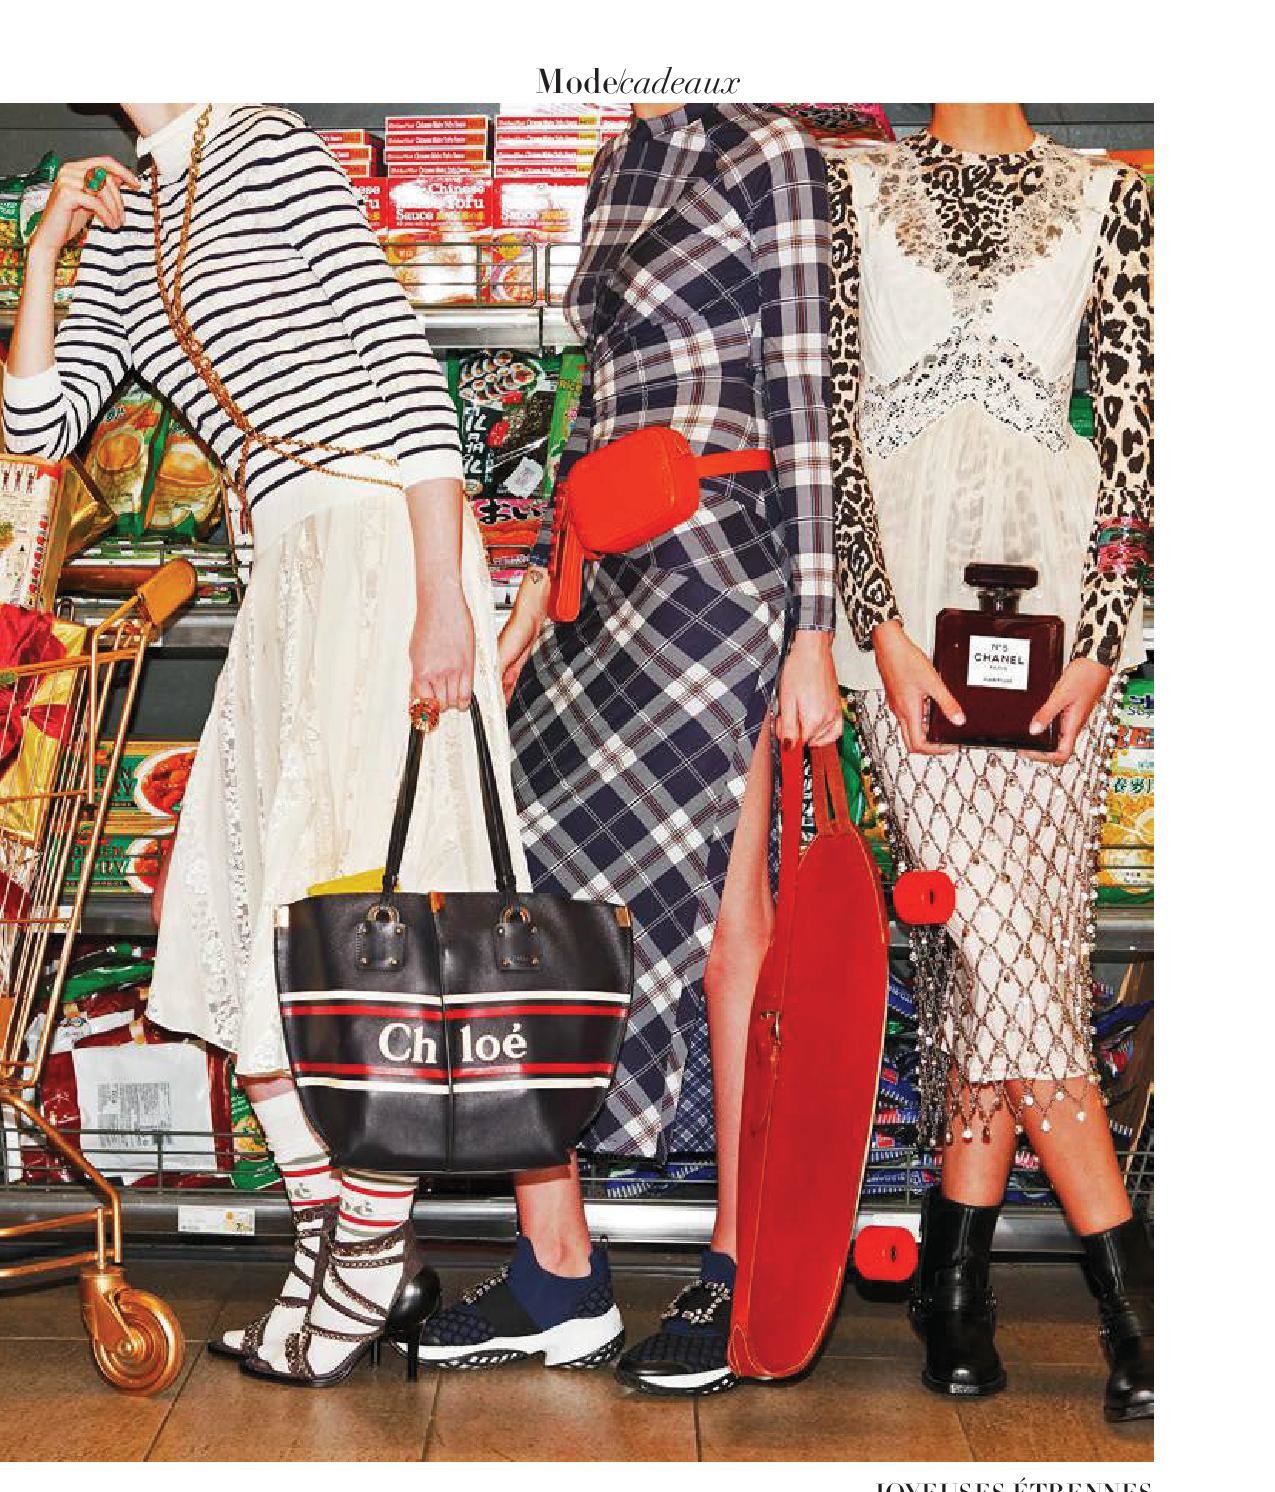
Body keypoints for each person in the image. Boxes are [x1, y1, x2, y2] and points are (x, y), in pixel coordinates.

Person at [2, 102, 528, 1387]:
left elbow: (406, 374)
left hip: (377, 543)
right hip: (283, 572)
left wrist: (443, 601)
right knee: (243, 925)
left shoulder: (268, 139)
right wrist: (47, 252)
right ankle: (338, 1244)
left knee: (364, 921)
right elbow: (36, 433)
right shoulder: (130, 217)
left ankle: (363, 1259)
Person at [416, 102, 842, 1395]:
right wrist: (529, 604)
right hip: (600, 574)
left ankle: (736, 1262)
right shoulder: (616, 157)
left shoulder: (766, 148)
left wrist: (812, 631)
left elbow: (808, 401)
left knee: (729, 918)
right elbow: (588, 407)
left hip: (716, 568)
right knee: (521, 893)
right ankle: (559, 1265)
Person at [826, 103, 1153, 1420]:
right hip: (908, 629)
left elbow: (1135, 432)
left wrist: (1102, 641)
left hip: (1055, 626)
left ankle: (952, 1288)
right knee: (999, 946)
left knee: (1005, 953)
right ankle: (1135, 1310)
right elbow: (827, 427)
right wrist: (875, 627)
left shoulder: (1109, 193)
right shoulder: (850, 186)